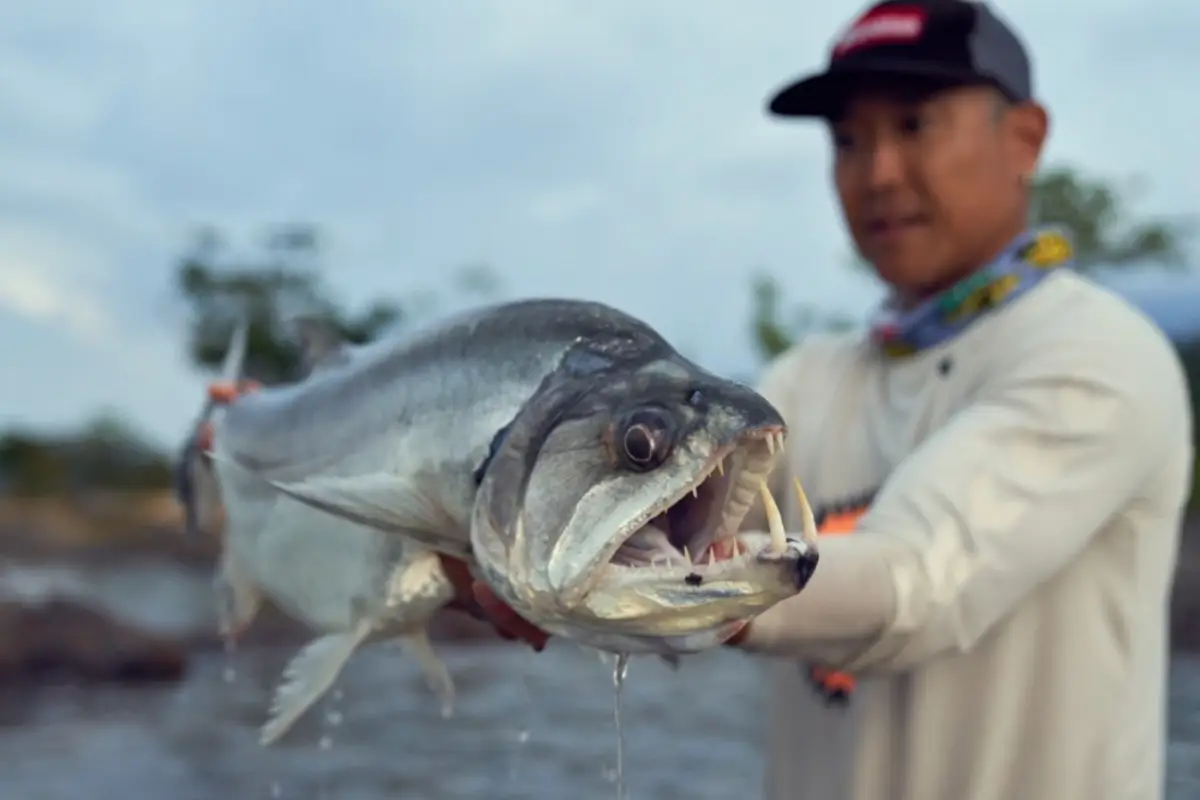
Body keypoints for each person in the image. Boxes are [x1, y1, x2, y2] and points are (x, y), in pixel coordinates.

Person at [441, 1, 1195, 798]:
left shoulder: (1098, 355)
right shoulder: (812, 376)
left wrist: (684, 594)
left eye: (914, 124)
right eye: (847, 141)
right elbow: (644, 508)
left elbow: (919, 583)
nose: (878, 173)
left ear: (1026, 138)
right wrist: (495, 545)